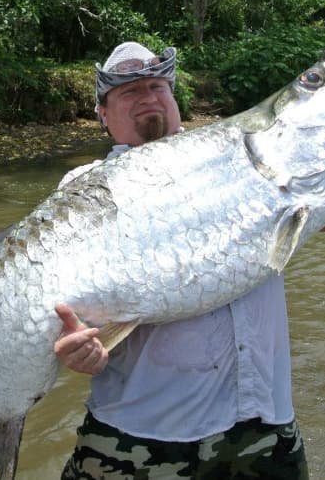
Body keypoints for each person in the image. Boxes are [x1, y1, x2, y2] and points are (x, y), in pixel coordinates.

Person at [54, 42, 310, 479]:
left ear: (175, 100)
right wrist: (76, 348)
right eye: (130, 93)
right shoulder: (84, 189)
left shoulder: (243, 157)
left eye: (158, 87)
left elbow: (317, 209)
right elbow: (67, 313)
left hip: (267, 424)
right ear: (102, 114)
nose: (149, 98)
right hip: (140, 436)